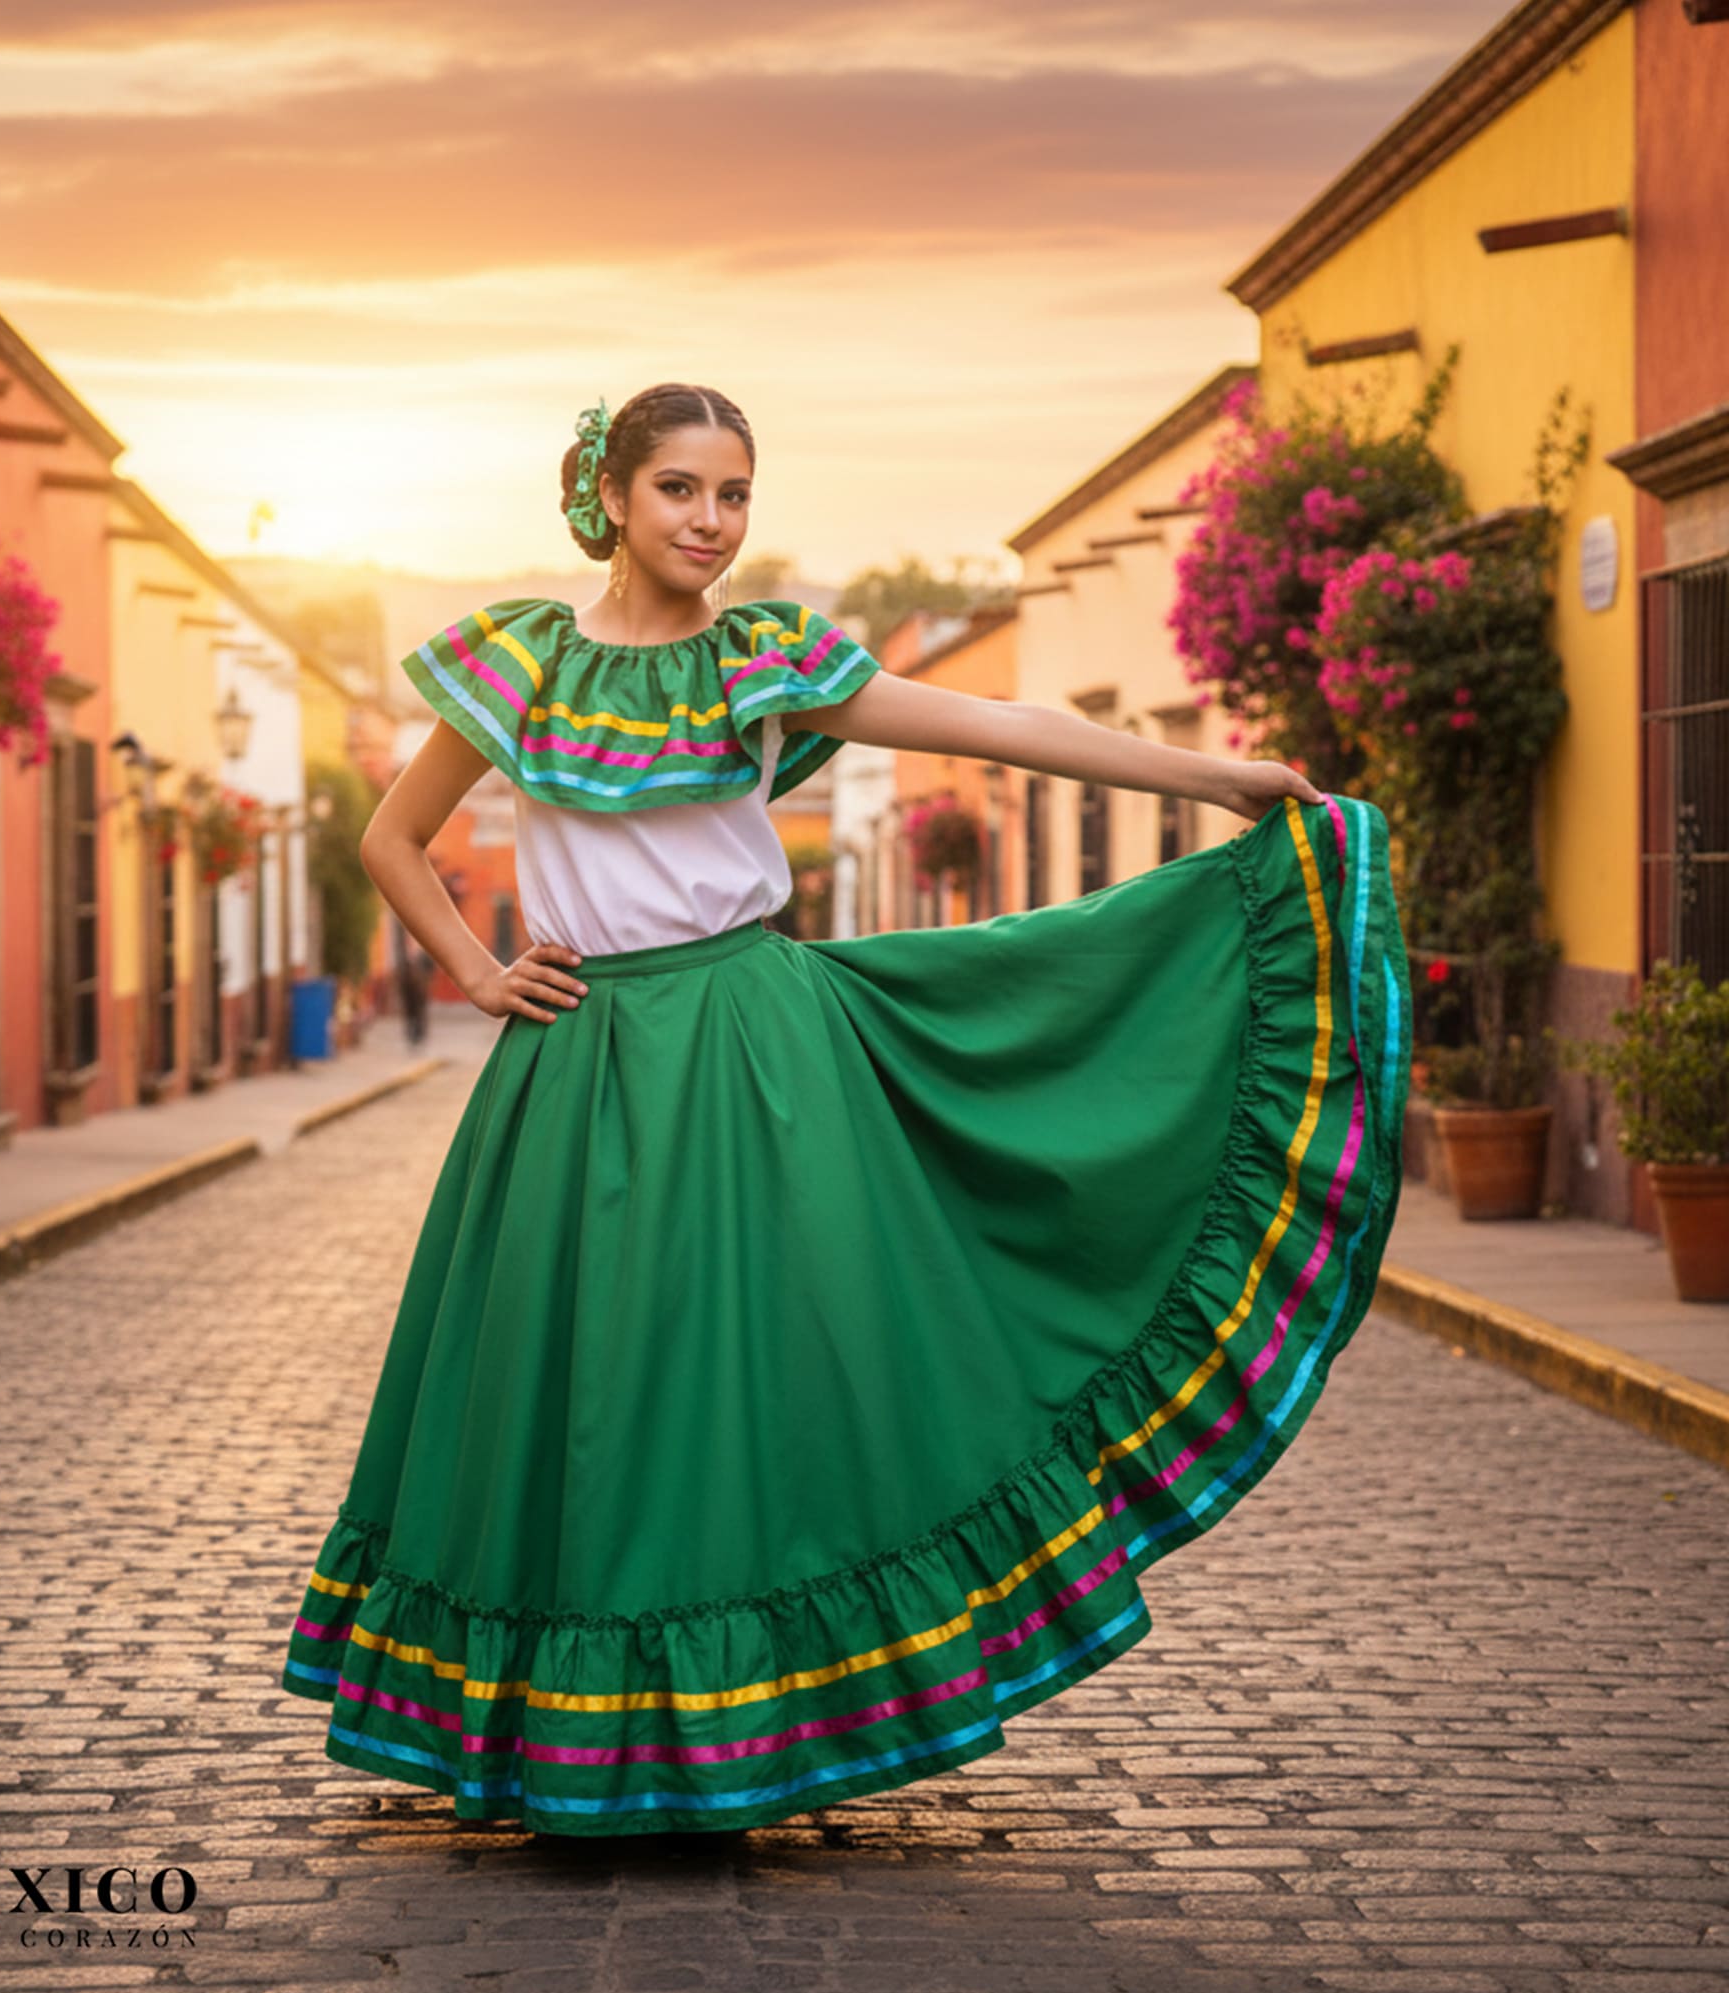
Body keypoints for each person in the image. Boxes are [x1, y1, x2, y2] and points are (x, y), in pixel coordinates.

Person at [282, 382, 1412, 1837]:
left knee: (753, 1384)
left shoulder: (768, 664)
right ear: (612, 498)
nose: (711, 520)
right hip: (582, 1064)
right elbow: (391, 837)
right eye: (682, 489)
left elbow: (997, 721)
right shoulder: (519, 664)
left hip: (759, 1055)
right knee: (587, 1388)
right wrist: (479, 975)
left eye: (735, 494)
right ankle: (572, 1727)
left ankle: (738, 1725)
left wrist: (1214, 773)